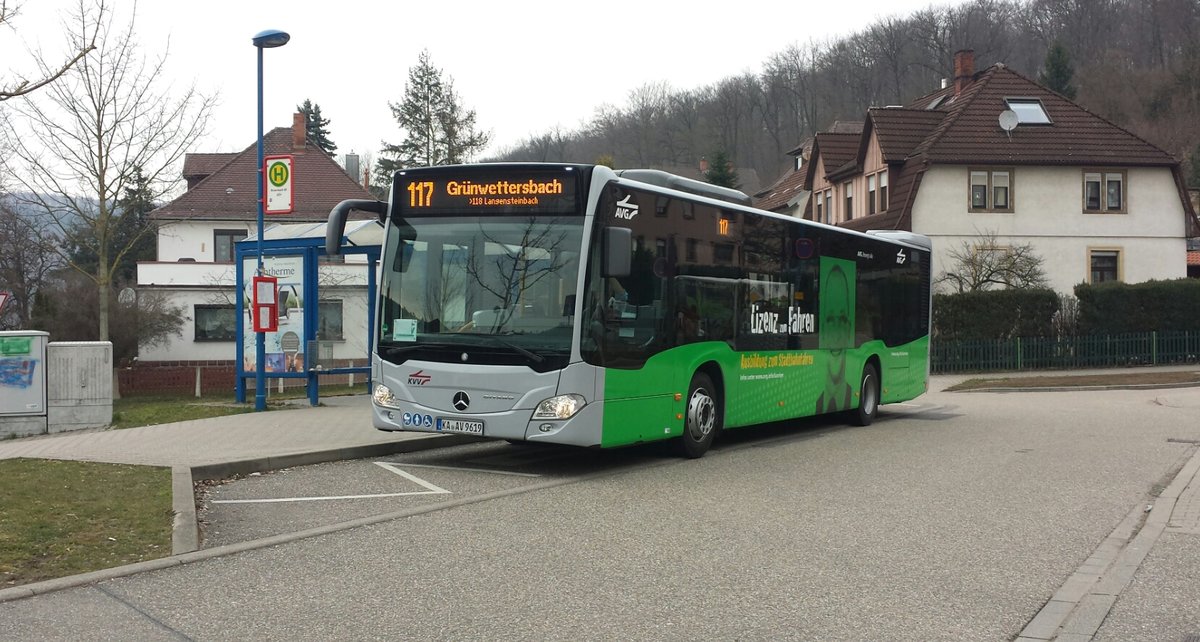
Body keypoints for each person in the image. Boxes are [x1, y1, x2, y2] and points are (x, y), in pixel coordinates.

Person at [816, 263, 854, 413]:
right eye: (831, 319)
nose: (837, 332)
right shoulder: (816, 402)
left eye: (843, 318)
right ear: (823, 327)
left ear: (849, 327)